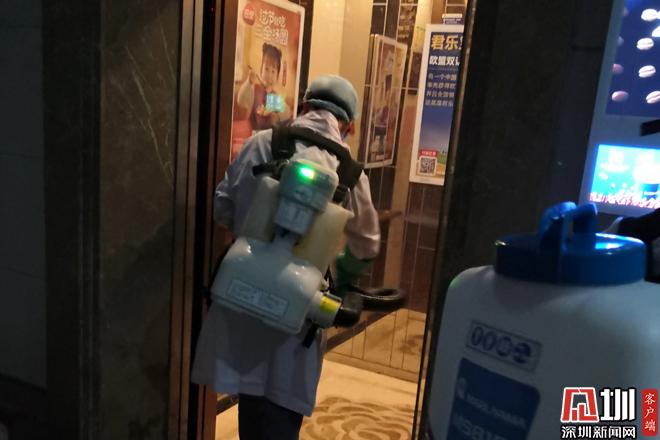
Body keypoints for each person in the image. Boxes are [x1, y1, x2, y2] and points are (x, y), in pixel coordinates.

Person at [192, 74, 381, 439]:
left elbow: (222, 207)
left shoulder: (261, 143)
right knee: (280, 408)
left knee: (250, 400)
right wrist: (343, 277)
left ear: (304, 106)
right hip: (300, 310)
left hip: (242, 293)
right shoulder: (351, 172)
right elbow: (368, 244)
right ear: (350, 126)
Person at [236, 42, 292, 132]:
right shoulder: (255, 89)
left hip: (270, 135)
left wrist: (275, 113)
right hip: (254, 133)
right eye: (266, 69)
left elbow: (287, 114)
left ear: (277, 76)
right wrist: (249, 82)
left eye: (273, 71)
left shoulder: (274, 96)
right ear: (261, 70)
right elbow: (241, 101)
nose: (269, 75)